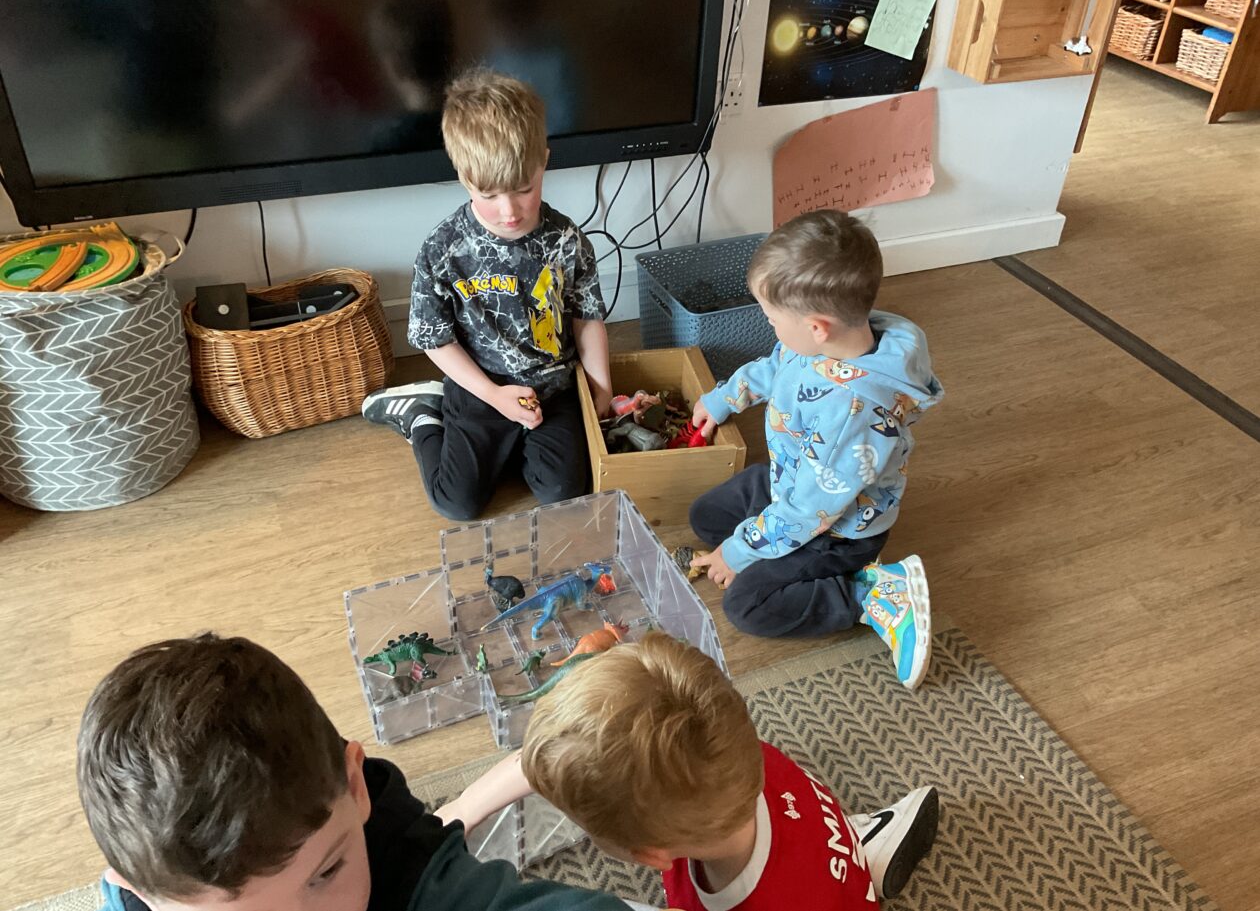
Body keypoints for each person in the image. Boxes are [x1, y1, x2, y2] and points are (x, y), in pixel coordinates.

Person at [77, 633, 661, 911]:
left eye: (327, 873)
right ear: (136, 891)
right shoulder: (138, 889)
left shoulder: (401, 857)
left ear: (356, 786)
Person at [438, 633, 939, 910]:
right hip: (809, 837)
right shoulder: (733, 752)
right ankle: (858, 851)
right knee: (820, 858)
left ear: (650, 855)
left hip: (794, 896)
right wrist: (465, 807)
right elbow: (563, 753)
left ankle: (853, 870)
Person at [686, 210, 944, 688]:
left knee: (747, 604)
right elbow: (779, 365)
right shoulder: (825, 341)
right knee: (706, 517)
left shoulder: (851, 413)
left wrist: (738, 552)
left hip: (838, 529)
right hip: (796, 478)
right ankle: (768, 541)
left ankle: (871, 594)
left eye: (771, 318)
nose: (769, 326)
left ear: (817, 327)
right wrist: (725, 398)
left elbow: (809, 512)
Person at [361, 69, 611, 521]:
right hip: (479, 386)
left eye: (523, 189)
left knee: (564, 492)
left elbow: (586, 318)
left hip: (551, 387)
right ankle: (423, 415)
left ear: (544, 163)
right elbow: (435, 339)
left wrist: (602, 388)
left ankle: (514, 446)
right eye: (489, 194)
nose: (509, 211)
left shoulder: (567, 241)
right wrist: (495, 397)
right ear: (464, 178)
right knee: (457, 503)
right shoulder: (442, 249)